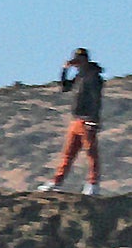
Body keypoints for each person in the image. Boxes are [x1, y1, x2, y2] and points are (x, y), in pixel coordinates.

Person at [44, 48, 105, 196]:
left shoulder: (93, 77)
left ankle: (92, 184)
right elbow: (65, 87)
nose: (76, 63)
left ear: (84, 60)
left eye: (78, 60)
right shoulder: (79, 76)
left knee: (91, 154)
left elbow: (96, 99)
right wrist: (64, 71)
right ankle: (56, 182)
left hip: (87, 121)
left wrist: (93, 120)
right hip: (76, 120)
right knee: (68, 154)